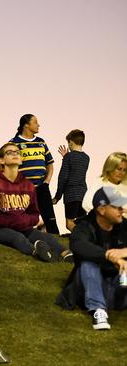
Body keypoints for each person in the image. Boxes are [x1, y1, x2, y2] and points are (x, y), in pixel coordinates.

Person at [56, 187, 127, 330]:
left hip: (117, 287)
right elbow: (78, 246)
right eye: (117, 207)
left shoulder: (124, 225)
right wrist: (108, 256)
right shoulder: (83, 226)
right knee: (88, 263)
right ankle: (98, 311)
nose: (122, 210)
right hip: (89, 289)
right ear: (101, 209)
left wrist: (124, 252)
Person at [0, 143, 65, 262]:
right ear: (1, 160)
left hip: (24, 228)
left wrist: (24, 221)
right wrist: (8, 221)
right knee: (17, 237)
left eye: (17, 152)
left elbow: (34, 214)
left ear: (21, 159)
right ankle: (37, 252)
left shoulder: (28, 185)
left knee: (42, 236)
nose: (15, 154)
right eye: (10, 152)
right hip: (1, 230)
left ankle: (66, 254)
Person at [10, 114, 59, 234]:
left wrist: (47, 181)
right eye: (35, 122)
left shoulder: (41, 142)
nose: (39, 125)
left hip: (42, 187)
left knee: (50, 219)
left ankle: (57, 242)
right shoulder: (13, 143)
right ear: (26, 125)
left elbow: (50, 164)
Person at [53, 129, 90, 232]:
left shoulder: (69, 157)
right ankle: (87, 240)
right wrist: (66, 157)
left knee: (69, 223)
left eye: (68, 143)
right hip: (83, 194)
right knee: (81, 221)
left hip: (71, 194)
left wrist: (57, 196)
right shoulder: (86, 158)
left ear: (71, 142)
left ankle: (84, 239)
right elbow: (76, 168)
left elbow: (63, 177)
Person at [82, 152, 127, 217]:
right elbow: (86, 204)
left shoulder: (125, 185)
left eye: (124, 170)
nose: (122, 173)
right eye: (119, 169)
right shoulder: (99, 183)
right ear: (110, 168)